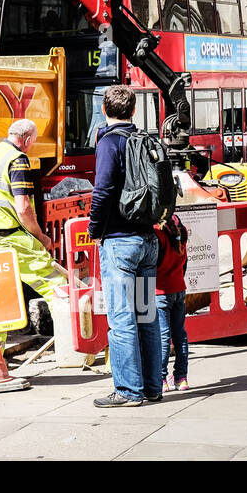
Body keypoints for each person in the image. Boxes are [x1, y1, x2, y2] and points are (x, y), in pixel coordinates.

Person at [88, 85, 162, 408]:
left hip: (120, 245)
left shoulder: (109, 142)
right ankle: (152, 386)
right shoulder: (143, 140)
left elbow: (102, 190)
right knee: (146, 315)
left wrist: (94, 228)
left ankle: (128, 390)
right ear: (133, 111)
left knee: (121, 318)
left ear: (105, 110)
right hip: (147, 241)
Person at [0, 118, 66, 302]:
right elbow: (23, 208)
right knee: (54, 283)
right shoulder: (17, 159)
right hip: (10, 238)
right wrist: (40, 237)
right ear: (27, 140)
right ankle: (69, 329)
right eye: (32, 143)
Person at [156, 214, 189, 391]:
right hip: (179, 288)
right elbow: (185, 264)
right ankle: (181, 378)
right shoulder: (180, 233)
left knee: (162, 337)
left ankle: (161, 379)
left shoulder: (158, 233)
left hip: (160, 290)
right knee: (180, 335)